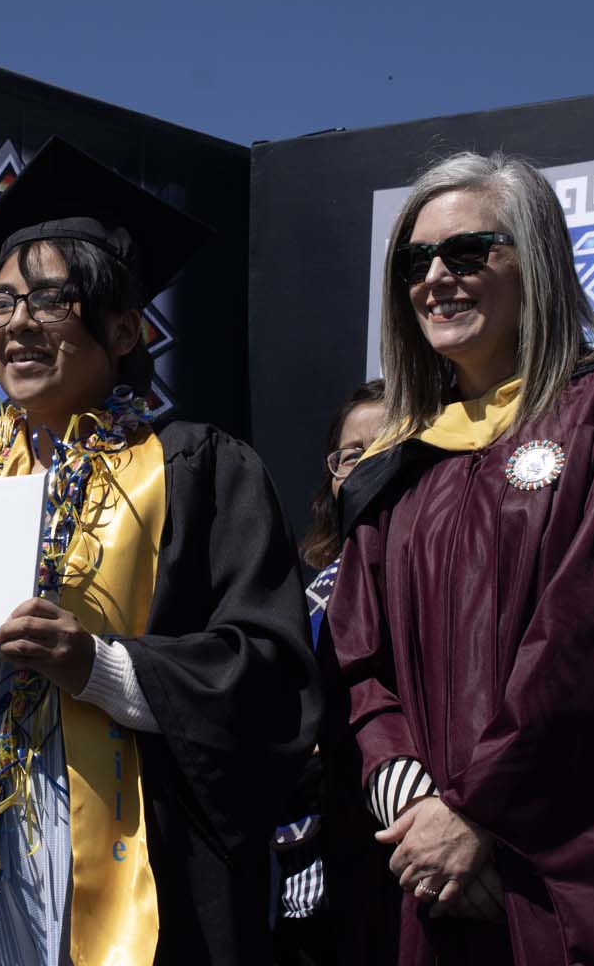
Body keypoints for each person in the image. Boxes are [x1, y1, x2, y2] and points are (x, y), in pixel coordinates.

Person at [0, 138, 319, 965]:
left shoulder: (198, 468)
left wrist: (96, 667)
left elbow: (271, 681)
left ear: (126, 326)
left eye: (52, 300)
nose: (17, 324)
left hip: (123, 862)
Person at [323, 152, 594, 964]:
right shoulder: (397, 466)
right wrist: (415, 807)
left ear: (536, 261)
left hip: (565, 871)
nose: (437, 277)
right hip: (423, 871)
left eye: (469, 252)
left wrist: (479, 818)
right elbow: (357, 659)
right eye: (415, 261)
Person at [274, 380, 384, 966]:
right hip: (311, 867)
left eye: (386, 442)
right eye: (349, 453)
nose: (365, 463)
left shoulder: (449, 568)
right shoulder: (303, 592)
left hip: (406, 854)